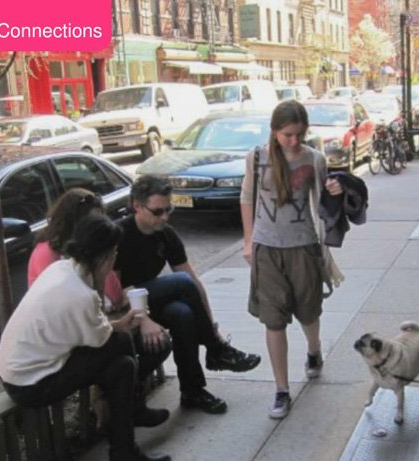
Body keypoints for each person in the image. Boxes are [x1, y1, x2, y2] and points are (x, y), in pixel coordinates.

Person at [0, 213, 170, 461]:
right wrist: (120, 325)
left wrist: (119, 324)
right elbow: (103, 339)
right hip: (30, 383)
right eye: (113, 254)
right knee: (122, 352)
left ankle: (125, 445)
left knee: (122, 366)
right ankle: (130, 426)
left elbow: (91, 331)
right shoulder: (80, 294)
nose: (115, 260)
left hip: (21, 370)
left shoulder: (62, 269)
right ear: (103, 257)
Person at [114, 176, 261, 415]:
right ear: (138, 207)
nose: (165, 216)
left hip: (148, 298)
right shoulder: (120, 233)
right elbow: (115, 291)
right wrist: (143, 319)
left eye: (168, 209)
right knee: (180, 283)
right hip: (123, 306)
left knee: (183, 313)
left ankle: (192, 390)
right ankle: (217, 351)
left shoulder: (166, 234)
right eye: (158, 211)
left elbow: (194, 283)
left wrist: (211, 327)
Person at [27, 188, 171, 428]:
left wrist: (141, 318)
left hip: (88, 324)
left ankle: (125, 414)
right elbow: (79, 313)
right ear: (73, 221)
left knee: (159, 339)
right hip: (60, 342)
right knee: (122, 350)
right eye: (92, 220)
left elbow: (116, 295)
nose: (97, 226)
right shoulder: (50, 256)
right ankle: (128, 407)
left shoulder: (91, 255)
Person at [239, 100, 344, 419]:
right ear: (274, 131)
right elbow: (246, 197)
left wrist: (335, 190)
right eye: (287, 135)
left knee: (309, 312)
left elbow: (325, 202)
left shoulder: (314, 159)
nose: (294, 141)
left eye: (299, 134)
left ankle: (314, 351)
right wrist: (248, 240)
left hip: (304, 246)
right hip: (266, 248)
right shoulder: (257, 157)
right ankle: (281, 390)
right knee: (273, 319)